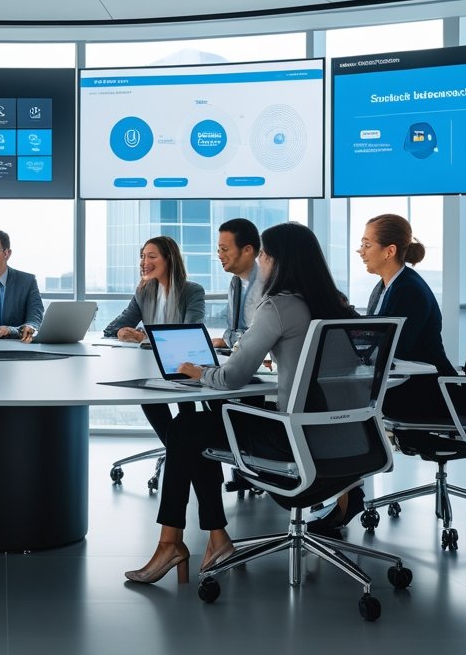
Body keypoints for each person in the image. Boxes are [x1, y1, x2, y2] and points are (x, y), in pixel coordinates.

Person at [125, 222, 357, 583]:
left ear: (280, 262)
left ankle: (173, 542)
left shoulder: (279, 307)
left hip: (293, 441)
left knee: (186, 428)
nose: (261, 262)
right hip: (346, 440)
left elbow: (230, 377)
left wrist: (196, 371)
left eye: (264, 254)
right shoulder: (339, 306)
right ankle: (214, 539)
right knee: (202, 426)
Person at [304, 212, 461, 537]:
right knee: (331, 403)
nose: (361, 251)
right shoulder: (385, 287)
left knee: (334, 407)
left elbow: (388, 348)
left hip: (427, 394)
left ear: (389, 250)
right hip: (405, 386)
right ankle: (346, 490)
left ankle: (346, 493)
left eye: (366, 244)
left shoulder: (408, 290)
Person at [102, 236, 205, 443]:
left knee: (185, 408)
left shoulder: (192, 291)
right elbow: (111, 328)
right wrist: (122, 331)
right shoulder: (144, 291)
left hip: (183, 366)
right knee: (148, 399)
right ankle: (177, 448)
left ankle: (180, 450)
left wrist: (145, 336)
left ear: (169, 259)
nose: (143, 262)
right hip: (150, 367)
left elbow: (189, 333)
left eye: (151, 256)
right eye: (142, 256)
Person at [212, 218, 265, 349]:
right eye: (219, 250)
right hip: (240, 353)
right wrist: (227, 341)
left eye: (224, 249)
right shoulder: (235, 283)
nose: (220, 255)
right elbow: (234, 328)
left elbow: (259, 335)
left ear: (247, 250)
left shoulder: (267, 284)